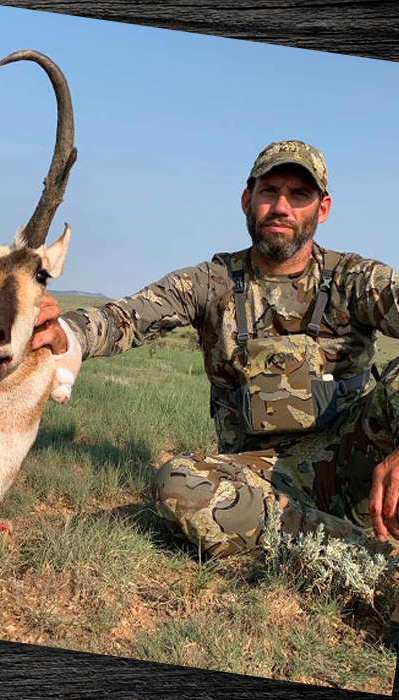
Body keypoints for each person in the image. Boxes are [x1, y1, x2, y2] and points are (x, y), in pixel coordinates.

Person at [33, 140, 399, 567]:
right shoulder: (212, 282)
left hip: (361, 464)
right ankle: (368, 562)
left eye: (299, 195)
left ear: (323, 208)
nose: (281, 207)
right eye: (269, 191)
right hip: (256, 475)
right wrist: (64, 332)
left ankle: (314, 534)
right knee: (178, 485)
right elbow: (127, 317)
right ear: (248, 199)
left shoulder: (356, 279)